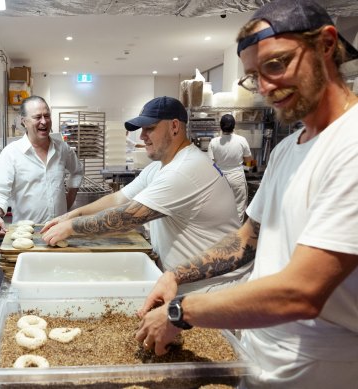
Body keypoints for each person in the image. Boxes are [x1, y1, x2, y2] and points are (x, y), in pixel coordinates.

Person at [135, 1, 358, 388]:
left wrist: (181, 310)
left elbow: (301, 293)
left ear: (326, 44)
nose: (267, 88)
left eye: (276, 64)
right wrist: (175, 274)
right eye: (255, 76)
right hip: (259, 356)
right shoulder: (290, 149)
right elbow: (245, 242)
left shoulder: (351, 144)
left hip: (321, 369)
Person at [42, 96, 247, 294]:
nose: (141, 137)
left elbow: (126, 217)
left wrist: (71, 228)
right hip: (191, 285)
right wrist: (73, 215)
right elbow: (119, 198)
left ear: (174, 127)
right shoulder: (161, 166)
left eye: (150, 129)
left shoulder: (184, 169)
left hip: (215, 288)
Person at [0, 96, 84, 238]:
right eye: (37, 117)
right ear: (23, 121)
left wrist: (69, 200)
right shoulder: (11, 153)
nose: (44, 122)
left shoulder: (62, 148)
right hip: (26, 233)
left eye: (47, 116)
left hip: (59, 231)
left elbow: (77, 171)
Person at [207, 113, 253, 223]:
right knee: (238, 209)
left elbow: (211, 165)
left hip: (221, 180)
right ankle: (236, 237)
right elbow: (249, 162)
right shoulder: (242, 140)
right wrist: (248, 169)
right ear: (234, 126)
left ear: (220, 126)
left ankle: (222, 235)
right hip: (237, 178)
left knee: (221, 209)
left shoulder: (214, 142)